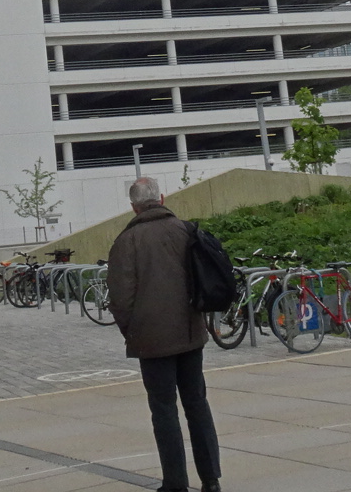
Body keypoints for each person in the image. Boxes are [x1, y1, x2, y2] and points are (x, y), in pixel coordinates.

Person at [108, 177, 221, 492]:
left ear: (134, 207)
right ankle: (211, 479)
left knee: (163, 410)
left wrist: (132, 330)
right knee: (197, 403)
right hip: (190, 333)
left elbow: (120, 298)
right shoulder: (185, 231)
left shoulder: (126, 241)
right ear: (162, 198)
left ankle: (175, 483)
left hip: (151, 340)